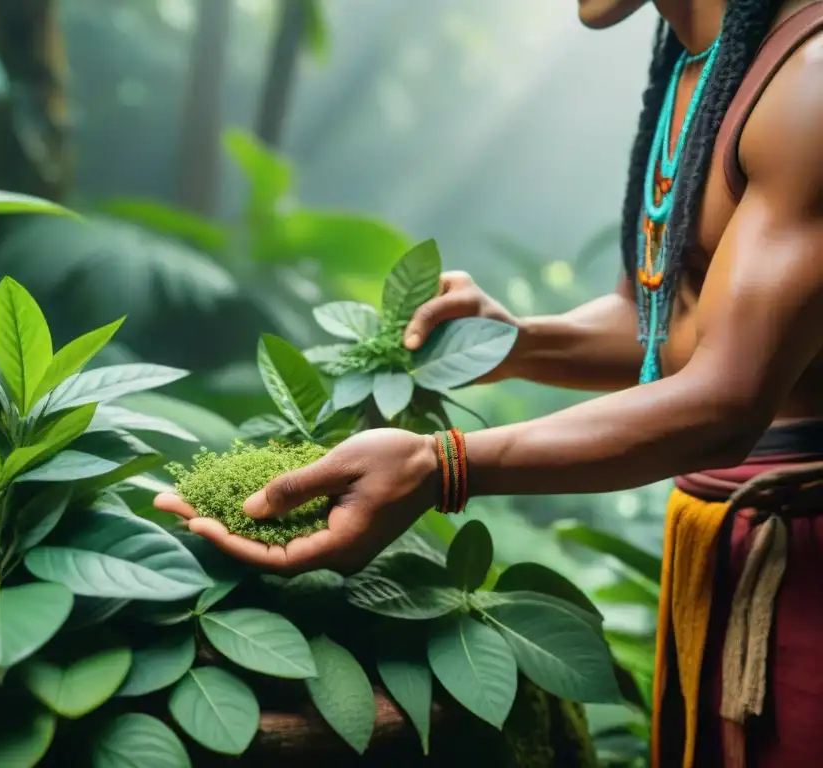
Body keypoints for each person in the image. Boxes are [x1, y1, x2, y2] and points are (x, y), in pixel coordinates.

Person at [156, 1, 823, 765]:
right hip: (723, 552)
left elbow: (726, 397)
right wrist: (512, 343)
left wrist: (438, 467)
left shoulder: (808, 80)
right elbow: (672, 322)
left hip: (803, 562)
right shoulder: (693, 62)